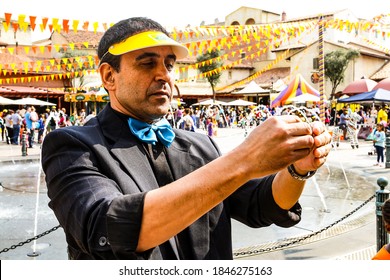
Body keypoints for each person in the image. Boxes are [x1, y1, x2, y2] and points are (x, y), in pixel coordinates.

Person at [41, 17, 331, 260]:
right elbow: (107, 227)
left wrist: (297, 169)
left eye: (169, 64)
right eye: (146, 63)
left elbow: (262, 206)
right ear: (109, 76)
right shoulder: (72, 145)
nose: (164, 75)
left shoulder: (200, 144)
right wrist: (246, 158)